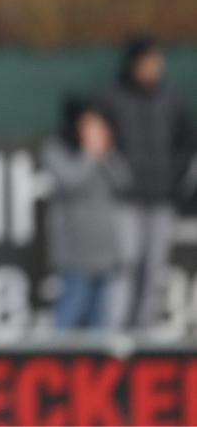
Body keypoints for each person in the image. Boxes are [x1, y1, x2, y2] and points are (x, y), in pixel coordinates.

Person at [99, 35, 197, 329]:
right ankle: (116, 331)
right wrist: (120, 177)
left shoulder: (171, 97)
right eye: (147, 61)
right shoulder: (113, 97)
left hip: (162, 197)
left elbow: (186, 143)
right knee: (125, 264)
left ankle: (145, 331)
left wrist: (175, 178)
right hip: (125, 199)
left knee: (155, 268)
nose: (153, 67)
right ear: (133, 64)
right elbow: (102, 147)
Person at [42, 96, 131, 330]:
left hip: (104, 247)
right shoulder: (56, 148)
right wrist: (90, 153)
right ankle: (58, 364)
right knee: (71, 308)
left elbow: (124, 182)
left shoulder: (105, 153)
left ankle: (95, 365)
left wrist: (107, 152)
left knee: (100, 317)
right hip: (75, 248)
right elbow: (72, 181)